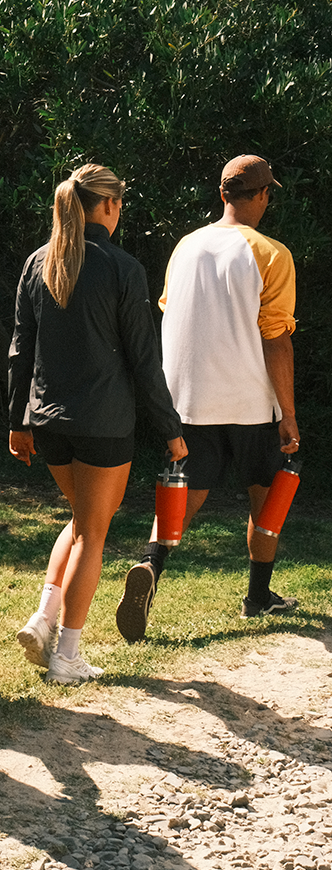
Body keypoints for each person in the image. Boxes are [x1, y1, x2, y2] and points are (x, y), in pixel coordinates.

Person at [9, 164, 186, 684]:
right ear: (108, 206)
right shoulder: (122, 267)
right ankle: (66, 656)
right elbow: (143, 360)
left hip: (47, 420)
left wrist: (17, 421)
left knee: (82, 517)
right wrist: (171, 429)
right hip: (104, 422)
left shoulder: (38, 262)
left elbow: (21, 350)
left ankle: (44, 619)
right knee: (93, 531)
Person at [115, 154, 299, 643]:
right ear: (261, 195)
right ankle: (257, 595)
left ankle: (150, 569)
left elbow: (172, 313)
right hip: (251, 403)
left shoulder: (186, 247)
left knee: (183, 500)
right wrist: (289, 414)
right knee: (265, 497)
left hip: (188, 401)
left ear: (222, 194)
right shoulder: (272, 253)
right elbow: (276, 338)